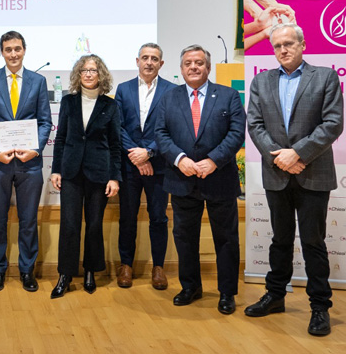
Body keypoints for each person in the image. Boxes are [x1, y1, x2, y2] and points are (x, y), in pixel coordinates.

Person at [245, 23, 343, 336]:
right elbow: (255, 124)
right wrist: (280, 157)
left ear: (302, 44)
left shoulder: (325, 77)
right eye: (277, 46)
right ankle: (275, 295)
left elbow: (333, 123)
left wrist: (297, 154)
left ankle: (319, 307)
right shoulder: (261, 80)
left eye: (289, 43)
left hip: (313, 172)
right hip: (277, 173)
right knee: (280, 239)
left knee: (313, 242)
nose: (283, 50)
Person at [155, 44, 244, 315]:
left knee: (226, 238)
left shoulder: (228, 95)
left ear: (208, 66)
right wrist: (180, 158)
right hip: (182, 179)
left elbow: (237, 132)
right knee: (184, 237)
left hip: (219, 179)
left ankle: (227, 292)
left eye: (199, 63)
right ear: (180, 68)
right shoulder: (169, 98)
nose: (194, 67)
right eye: (188, 63)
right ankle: (190, 286)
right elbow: (160, 133)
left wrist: (214, 160)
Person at [0, 30, 52, 292]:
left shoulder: (38, 81)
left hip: (30, 164)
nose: (13, 54)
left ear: (24, 50)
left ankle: (26, 270)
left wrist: (36, 148)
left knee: (28, 220)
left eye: (17, 49)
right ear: (1, 52)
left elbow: (45, 121)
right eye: (8, 49)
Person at [50, 55, 121, 298]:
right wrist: (56, 169)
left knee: (94, 225)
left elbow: (115, 145)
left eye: (93, 70)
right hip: (71, 172)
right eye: (84, 70)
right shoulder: (68, 102)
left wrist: (114, 177)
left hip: (99, 173)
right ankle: (65, 275)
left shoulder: (110, 106)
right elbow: (60, 139)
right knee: (69, 225)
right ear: (78, 75)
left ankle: (90, 271)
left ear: (101, 74)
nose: (88, 74)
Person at [114, 43, 175, 290]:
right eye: (145, 58)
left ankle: (158, 267)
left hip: (159, 166)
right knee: (127, 217)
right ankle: (126, 265)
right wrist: (137, 156)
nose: (149, 62)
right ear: (137, 61)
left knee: (158, 218)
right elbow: (117, 127)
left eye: (155, 59)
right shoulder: (123, 89)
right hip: (130, 166)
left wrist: (148, 153)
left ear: (161, 64)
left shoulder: (172, 91)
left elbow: (171, 129)